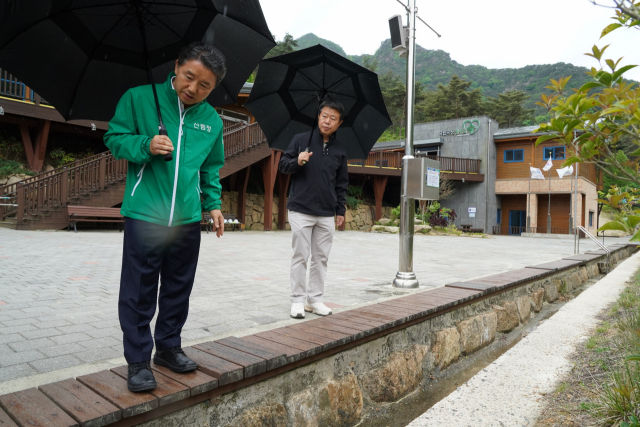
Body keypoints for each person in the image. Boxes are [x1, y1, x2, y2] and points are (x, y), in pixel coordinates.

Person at [104, 42, 226, 392]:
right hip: (145, 214)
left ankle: (169, 348)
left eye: (205, 86)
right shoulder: (140, 98)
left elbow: (211, 167)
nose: (193, 89)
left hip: (187, 218)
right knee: (139, 290)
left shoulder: (212, 120)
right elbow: (114, 138)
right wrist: (146, 145)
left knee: (178, 288)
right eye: (189, 78)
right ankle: (139, 360)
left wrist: (213, 204)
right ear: (177, 67)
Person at [278, 100, 348, 319]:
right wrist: (297, 161)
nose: (327, 121)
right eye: (324, 116)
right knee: (301, 255)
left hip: (327, 213)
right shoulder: (301, 140)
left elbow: (341, 183)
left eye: (333, 118)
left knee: (321, 258)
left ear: (339, 123)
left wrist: (340, 210)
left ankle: (314, 300)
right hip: (301, 208)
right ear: (318, 117)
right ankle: (297, 301)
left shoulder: (339, 151)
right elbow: (283, 165)